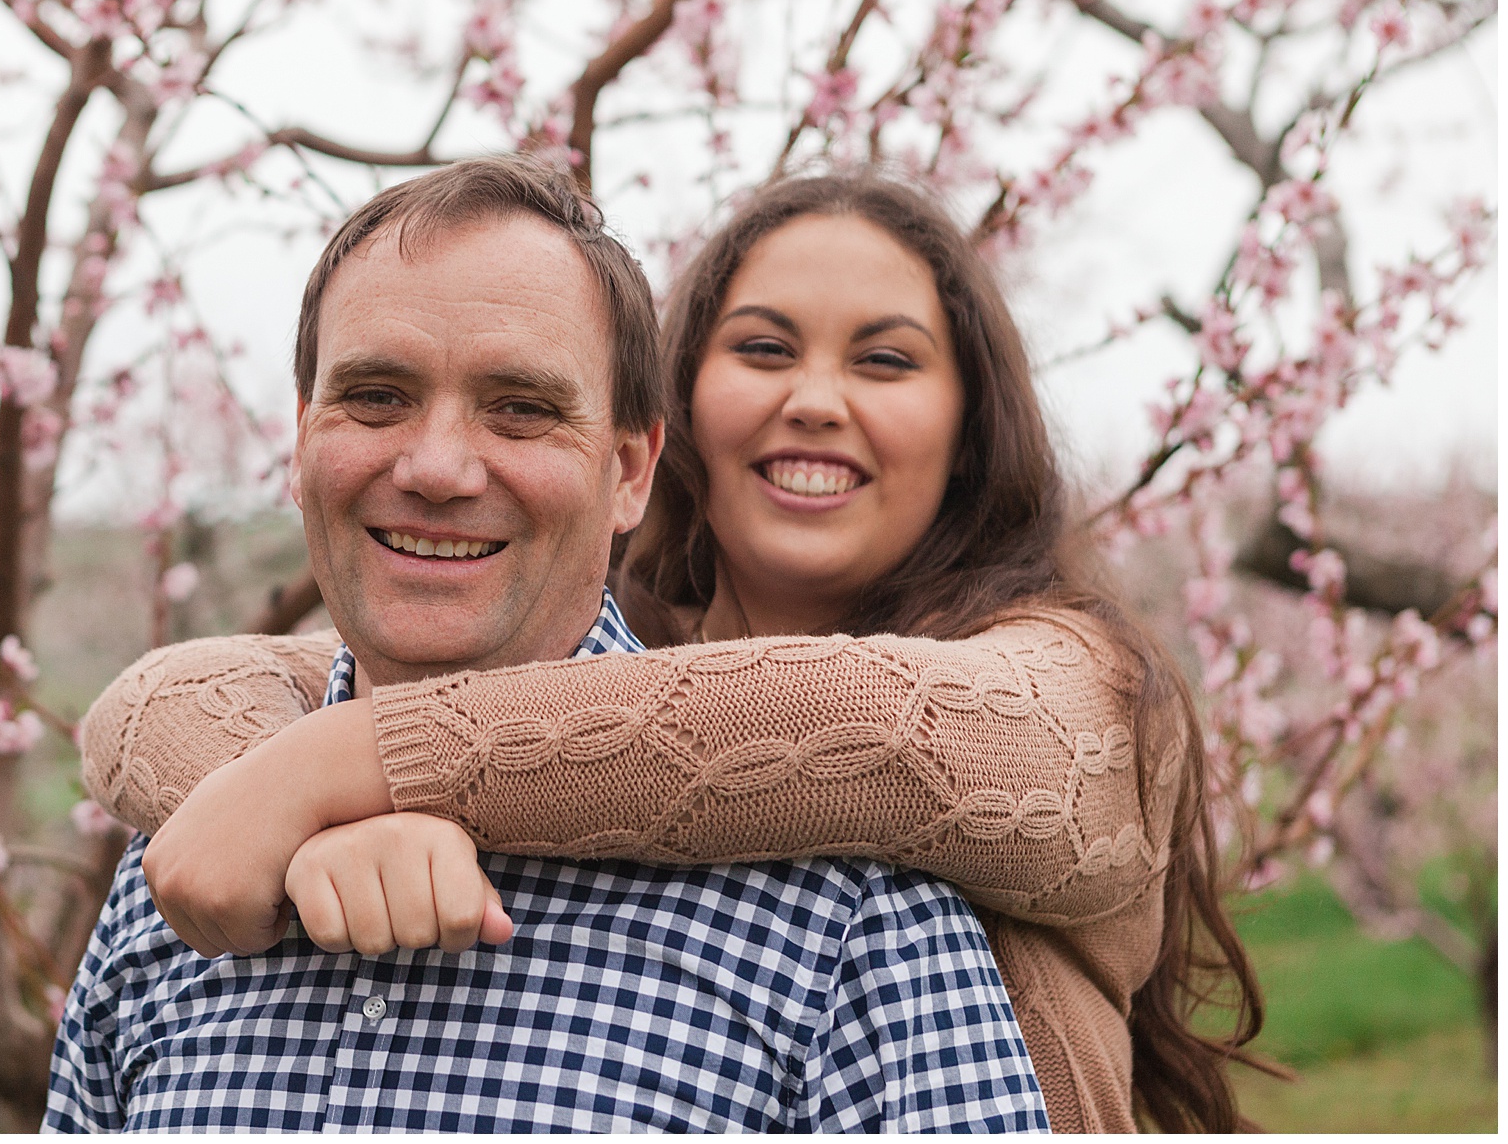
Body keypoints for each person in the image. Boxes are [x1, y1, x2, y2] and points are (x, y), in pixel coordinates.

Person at [81, 165, 1264, 1133]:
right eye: (760, 349)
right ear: (681, 420)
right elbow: (184, 692)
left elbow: (862, 732)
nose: (813, 398)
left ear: (629, 462)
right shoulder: (546, 692)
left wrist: (324, 772)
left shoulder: (1052, 709)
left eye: (886, 359)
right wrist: (279, 815)